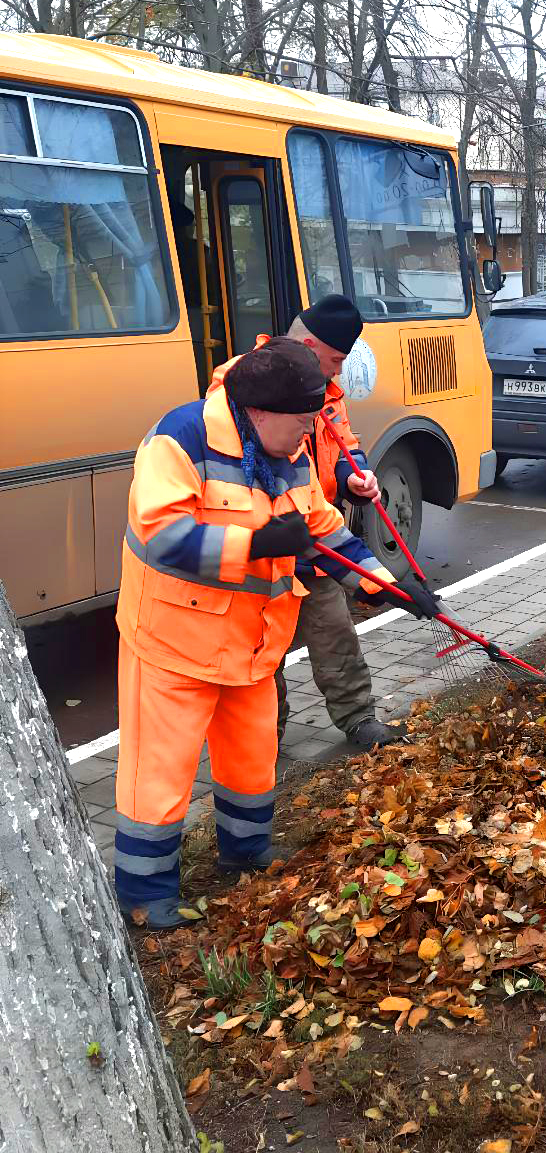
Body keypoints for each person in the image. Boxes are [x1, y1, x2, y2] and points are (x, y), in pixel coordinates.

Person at [113, 337, 441, 928]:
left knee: (252, 757)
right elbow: (161, 535)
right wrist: (257, 543)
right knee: (158, 771)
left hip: (252, 644)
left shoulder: (286, 453)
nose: (308, 433)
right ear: (261, 412)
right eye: (301, 421)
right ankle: (144, 892)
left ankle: (245, 854)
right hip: (173, 643)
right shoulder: (179, 441)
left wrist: (391, 588)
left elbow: (331, 534)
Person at [208, 296, 396, 751]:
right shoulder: (242, 383)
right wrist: (268, 533)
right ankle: (264, 734)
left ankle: (358, 717)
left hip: (316, 534)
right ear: (310, 346)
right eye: (334, 360)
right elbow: (231, 464)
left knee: (335, 632)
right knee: (261, 647)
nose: (337, 372)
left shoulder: (327, 392)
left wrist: (355, 477)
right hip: (267, 545)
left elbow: (344, 444)